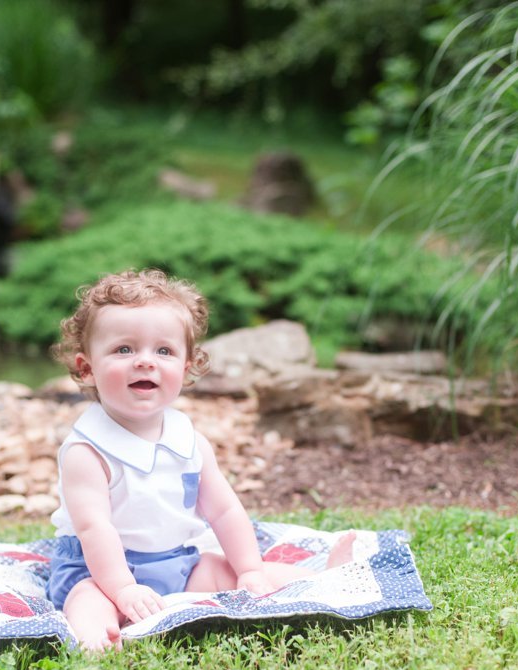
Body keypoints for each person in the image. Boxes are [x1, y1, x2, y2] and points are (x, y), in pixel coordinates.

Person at [46, 269, 354, 650]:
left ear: (187, 367)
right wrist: (123, 588)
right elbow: (96, 529)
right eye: (124, 349)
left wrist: (249, 569)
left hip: (177, 562)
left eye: (164, 351)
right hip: (97, 567)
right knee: (87, 599)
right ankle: (97, 638)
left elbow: (223, 511)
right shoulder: (87, 450)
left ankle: (323, 581)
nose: (145, 361)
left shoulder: (189, 441)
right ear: (87, 368)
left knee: (226, 570)